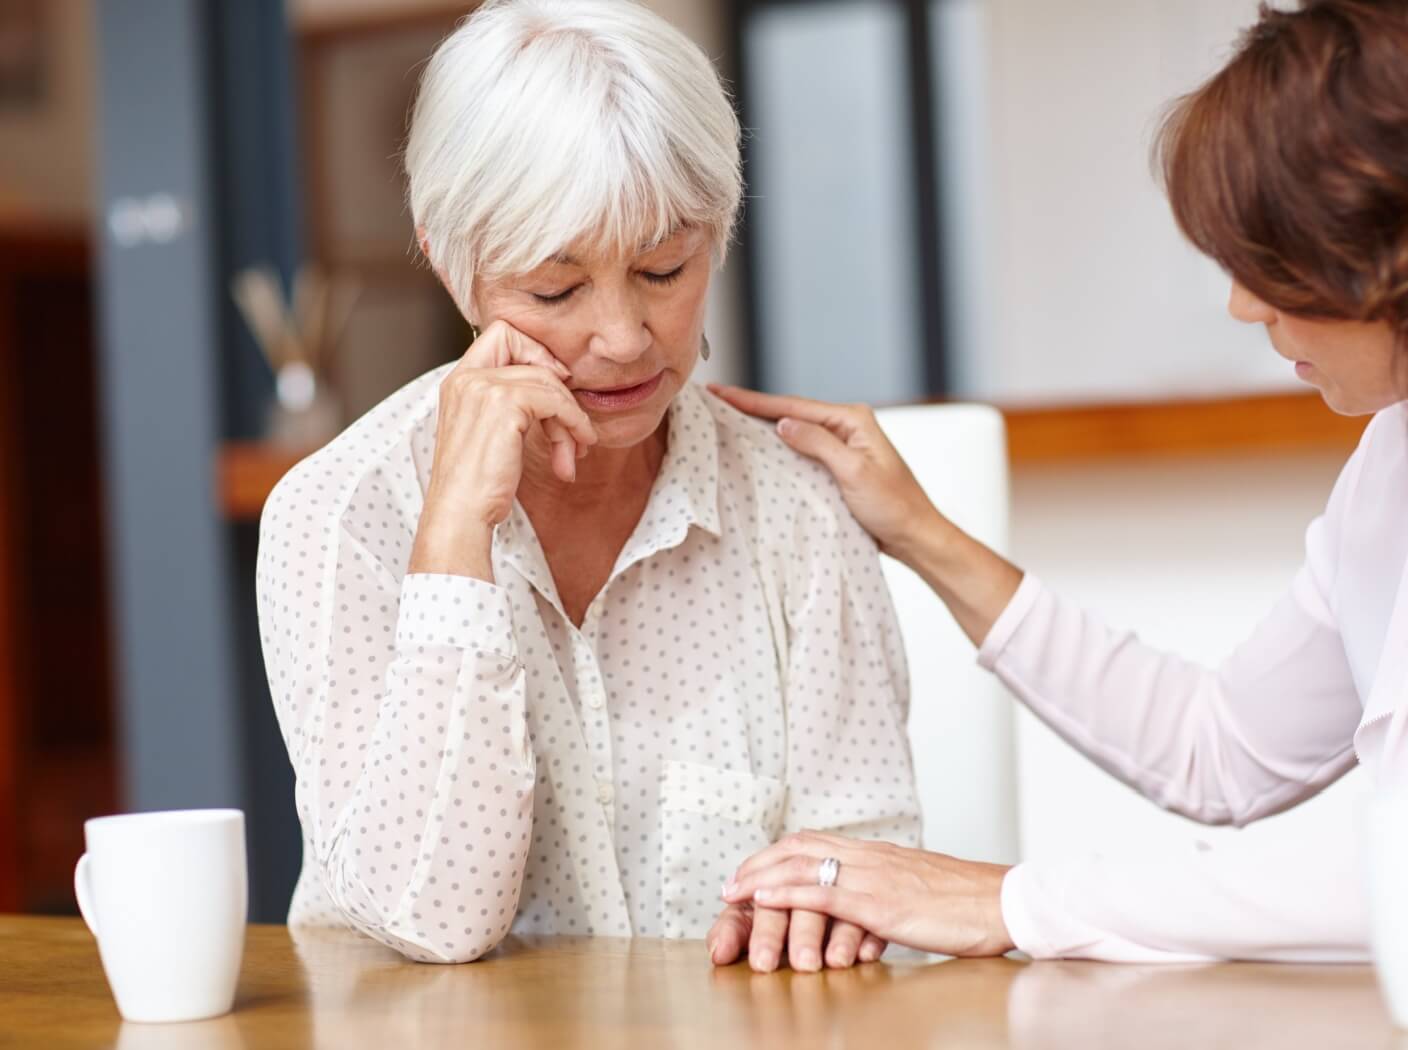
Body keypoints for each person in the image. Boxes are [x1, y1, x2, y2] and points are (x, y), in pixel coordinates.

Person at [716, 0, 1408, 962]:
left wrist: (1014, 903)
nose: (1241, 302)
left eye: (1276, 259)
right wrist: (923, 531)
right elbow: (1216, 749)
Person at [256, 0, 919, 967]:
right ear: (451, 264)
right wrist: (452, 545)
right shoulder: (340, 518)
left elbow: (873, 871)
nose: (622, 338)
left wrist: (834, 912)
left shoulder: (793, 508)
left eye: (664, 269)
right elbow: (429, 923)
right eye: (557, 291)